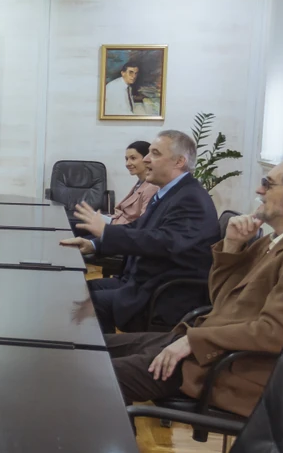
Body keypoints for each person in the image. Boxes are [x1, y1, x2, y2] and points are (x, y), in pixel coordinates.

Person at [106, 155, 283, 417]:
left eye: (268, 183)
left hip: (232, 369)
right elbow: (223, 300)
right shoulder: (279, 239)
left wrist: (193, 341)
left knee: (97, 376)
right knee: (90, 348)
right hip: (209, 347)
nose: (259, 190)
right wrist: (232, 246)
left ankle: (115, 444)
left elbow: (279, 332)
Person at [61, 130, 220, 333]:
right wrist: (92, 244)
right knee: (79, 292)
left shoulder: (191, 198)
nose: (146, 159)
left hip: (163, 295)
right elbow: (138, 228)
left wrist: (107, 232)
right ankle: (104, 348)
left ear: (179, 161)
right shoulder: (171, 192)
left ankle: (107, 351)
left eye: (155, 153)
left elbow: (164, 242)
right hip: (141, 283)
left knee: (90, 303)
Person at [105, 140, 158, 225]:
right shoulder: (140, 183)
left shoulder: (152, 187)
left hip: (124, 229)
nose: (127, 163)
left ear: (147, 159)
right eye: (126, 159)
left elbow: (143, 223)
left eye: (133, 158)